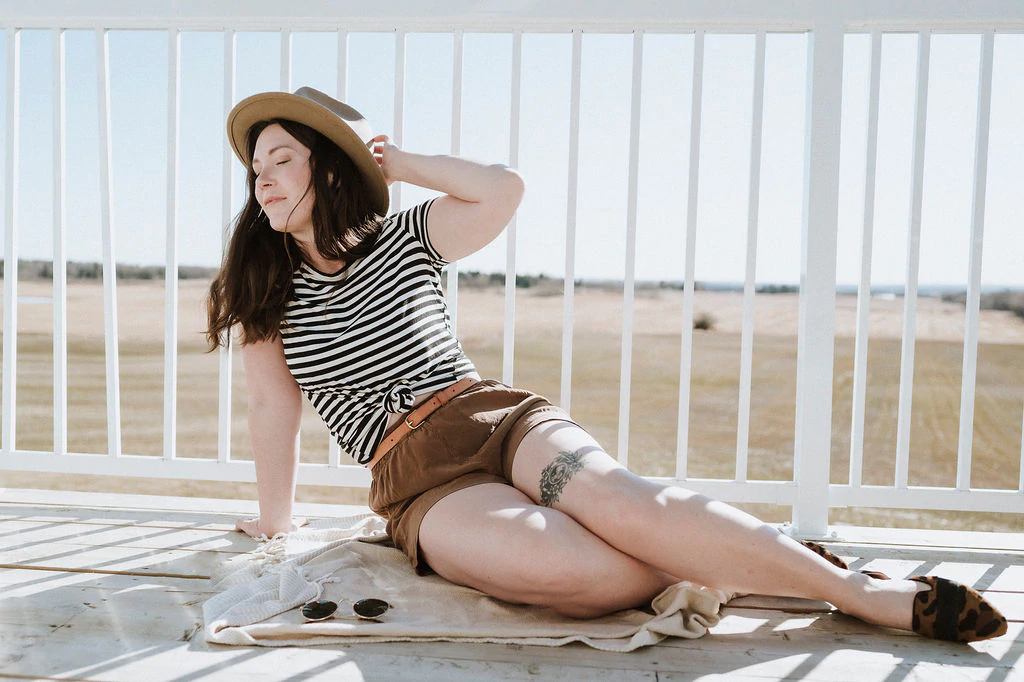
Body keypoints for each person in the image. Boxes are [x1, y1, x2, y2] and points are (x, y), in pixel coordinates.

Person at [206, 86, 1007, 644]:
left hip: (494, 418)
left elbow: (502, 192)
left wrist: (404, 162)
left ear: (330, 169)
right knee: (576, 571)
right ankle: (749, 566)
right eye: (256, 168)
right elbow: (273, 410)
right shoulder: (265, 289)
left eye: (281, 158)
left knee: (621, 500)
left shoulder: (407, 236)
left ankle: (863, 595)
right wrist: (276, 521)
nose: (262, 177)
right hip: (416, 481)